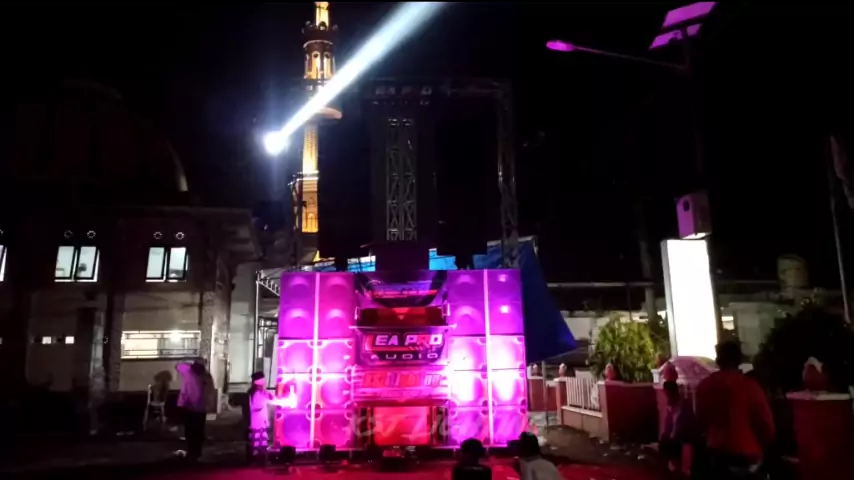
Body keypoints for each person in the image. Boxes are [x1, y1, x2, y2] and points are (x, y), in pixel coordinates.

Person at [695, 341, 775, 479]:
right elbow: (766, 424)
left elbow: (700, 420)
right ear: (739, 361)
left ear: (718, 360)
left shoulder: (705, 386)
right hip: (747, 455)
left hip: (716, 452)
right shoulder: (750, 386)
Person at [176, 359, 210, 461]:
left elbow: (178, 365)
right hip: (200, 409)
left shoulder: (188, 372)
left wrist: (190, 363)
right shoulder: (206, 376)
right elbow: (210, 392)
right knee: (198, 432)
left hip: (191, 408)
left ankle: (192, 453)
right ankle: (196, 453)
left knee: (191, 432)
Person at [659, 380, 694, 475]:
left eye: (668, 394)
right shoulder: (670, 405)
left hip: (683, 436)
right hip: (674, 437)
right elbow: (668, 423)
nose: (667, 397)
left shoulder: (684, 405)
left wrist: (673, 434)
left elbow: (686, 424)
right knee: (664, 442)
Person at [246, 371, 275, 463]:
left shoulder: (253, 392)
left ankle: (255, 459)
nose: (265, 382)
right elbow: (273, 399)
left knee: (256, 441)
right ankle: (259, 460)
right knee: (260, 442)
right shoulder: (260, 393)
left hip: (256, 422)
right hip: (259, 423)